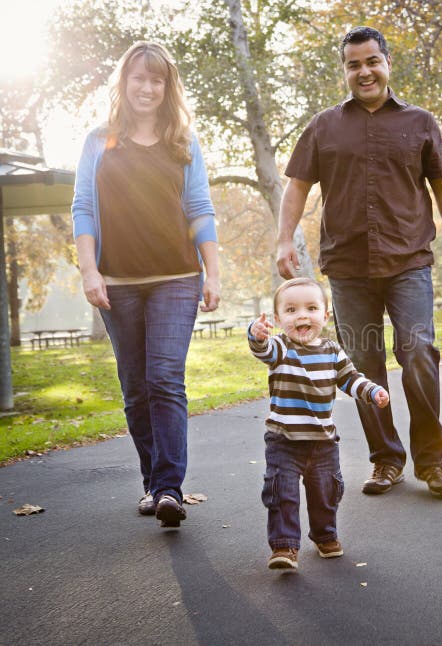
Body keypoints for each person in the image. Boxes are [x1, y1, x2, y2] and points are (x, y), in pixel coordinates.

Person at [276, 26, 442, 498]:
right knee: (364, 366)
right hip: (347, 268)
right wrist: (285, 238)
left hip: (409, 261)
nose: (363, 71)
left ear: (386, 63)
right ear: (344, 69)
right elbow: (298, 185)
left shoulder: (420, 122)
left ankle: (432, 462)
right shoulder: (324, 126)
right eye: (353, 64)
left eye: (371, 61)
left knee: (418, 354)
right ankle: (386, 460)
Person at [72, 41, 220, 528]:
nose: (147, 87)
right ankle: (152, 483)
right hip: (116, 282)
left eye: (157, 80)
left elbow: (199, 209)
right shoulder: (99, 140)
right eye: (139, 78)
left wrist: (212, 271)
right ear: (124, 82)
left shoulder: (183, 142)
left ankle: (169, 488)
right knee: (135, 387)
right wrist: (89, 270)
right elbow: (84, 211)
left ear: (167, 87)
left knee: (163, 379)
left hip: (177, 278)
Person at [248, 277, 389, 570]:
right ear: (278, 319)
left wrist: (372, 390)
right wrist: (257, 335)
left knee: (326, 492)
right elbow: (263, 350)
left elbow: (350, 379)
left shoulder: (332, 351)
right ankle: (284, 546)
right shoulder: (281, 347)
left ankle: (325, 535)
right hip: (283, 440)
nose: (302, 315)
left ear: (325, 315)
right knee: (282, 492)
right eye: (291, 310)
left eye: (311, 308)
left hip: (323, 441)